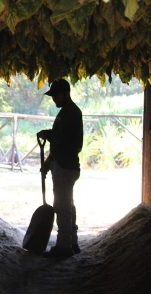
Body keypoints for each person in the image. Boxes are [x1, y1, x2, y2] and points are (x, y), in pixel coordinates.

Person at [37, 78, 83, 258]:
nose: (54, 99)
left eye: (56, 95)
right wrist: (48, 164)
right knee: (68, 204)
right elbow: (60, 143)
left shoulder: (70, 113)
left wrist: (47, 134)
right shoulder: (68, 112)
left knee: (62, 206)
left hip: (65, 166)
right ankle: (72, 241)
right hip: (65, 164)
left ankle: (64, 247)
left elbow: (61, 139)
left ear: (65, 94)